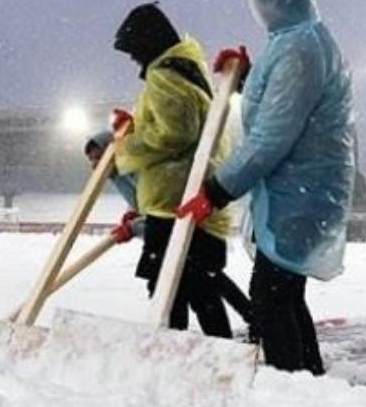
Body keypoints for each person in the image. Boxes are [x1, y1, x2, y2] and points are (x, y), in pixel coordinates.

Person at [177, 0, 355, 375]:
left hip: (301, 194)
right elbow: (279, 102)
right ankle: (308, 382)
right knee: (284, 295)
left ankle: (288, 389)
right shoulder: (294, 41)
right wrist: (245, 77)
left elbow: (271, 136)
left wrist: (216, 191)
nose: (257, 8)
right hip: (297, 193)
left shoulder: (301, 47)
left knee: (272, 299)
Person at [109, 1, 235, 338]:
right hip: (185, 201)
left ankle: (176, 352)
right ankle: (218, 350)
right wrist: (135, 124)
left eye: (135, 52)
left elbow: (175, 132)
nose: (135, 60)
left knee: (173, 291)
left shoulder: (165, 75)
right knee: (197, 289)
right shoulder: (186, 71)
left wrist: (126, 146)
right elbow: (174, 123)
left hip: (175, 204)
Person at [84, 131, 255, 334]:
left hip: (192, 230)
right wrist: (133, 214)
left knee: (197, 290)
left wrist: (134, 227)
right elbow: (143, 204)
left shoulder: (142, 166)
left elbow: (164, 209)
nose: (95, 166)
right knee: (204, 284)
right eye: (91, 160)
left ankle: (219, 337)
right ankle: (247, 321)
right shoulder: (121, 173)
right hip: (172, 238)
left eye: (98, 157)